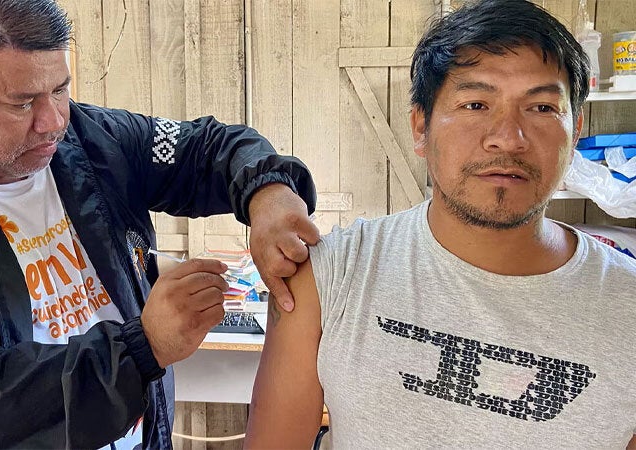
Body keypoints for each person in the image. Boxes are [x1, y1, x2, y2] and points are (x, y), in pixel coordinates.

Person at [0, 1, 320, 449]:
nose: (52, 121)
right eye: (21, 103)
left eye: (61, 89)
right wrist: (144, 346)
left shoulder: (90, 142)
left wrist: (269, 193)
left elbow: (206, 148)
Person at [245, 0, 636, 448]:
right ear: (420, 127)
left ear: (577, 128)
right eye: (475, 104)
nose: (508, 137)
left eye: (543, 108)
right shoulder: (333, 274)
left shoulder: (628, 305)